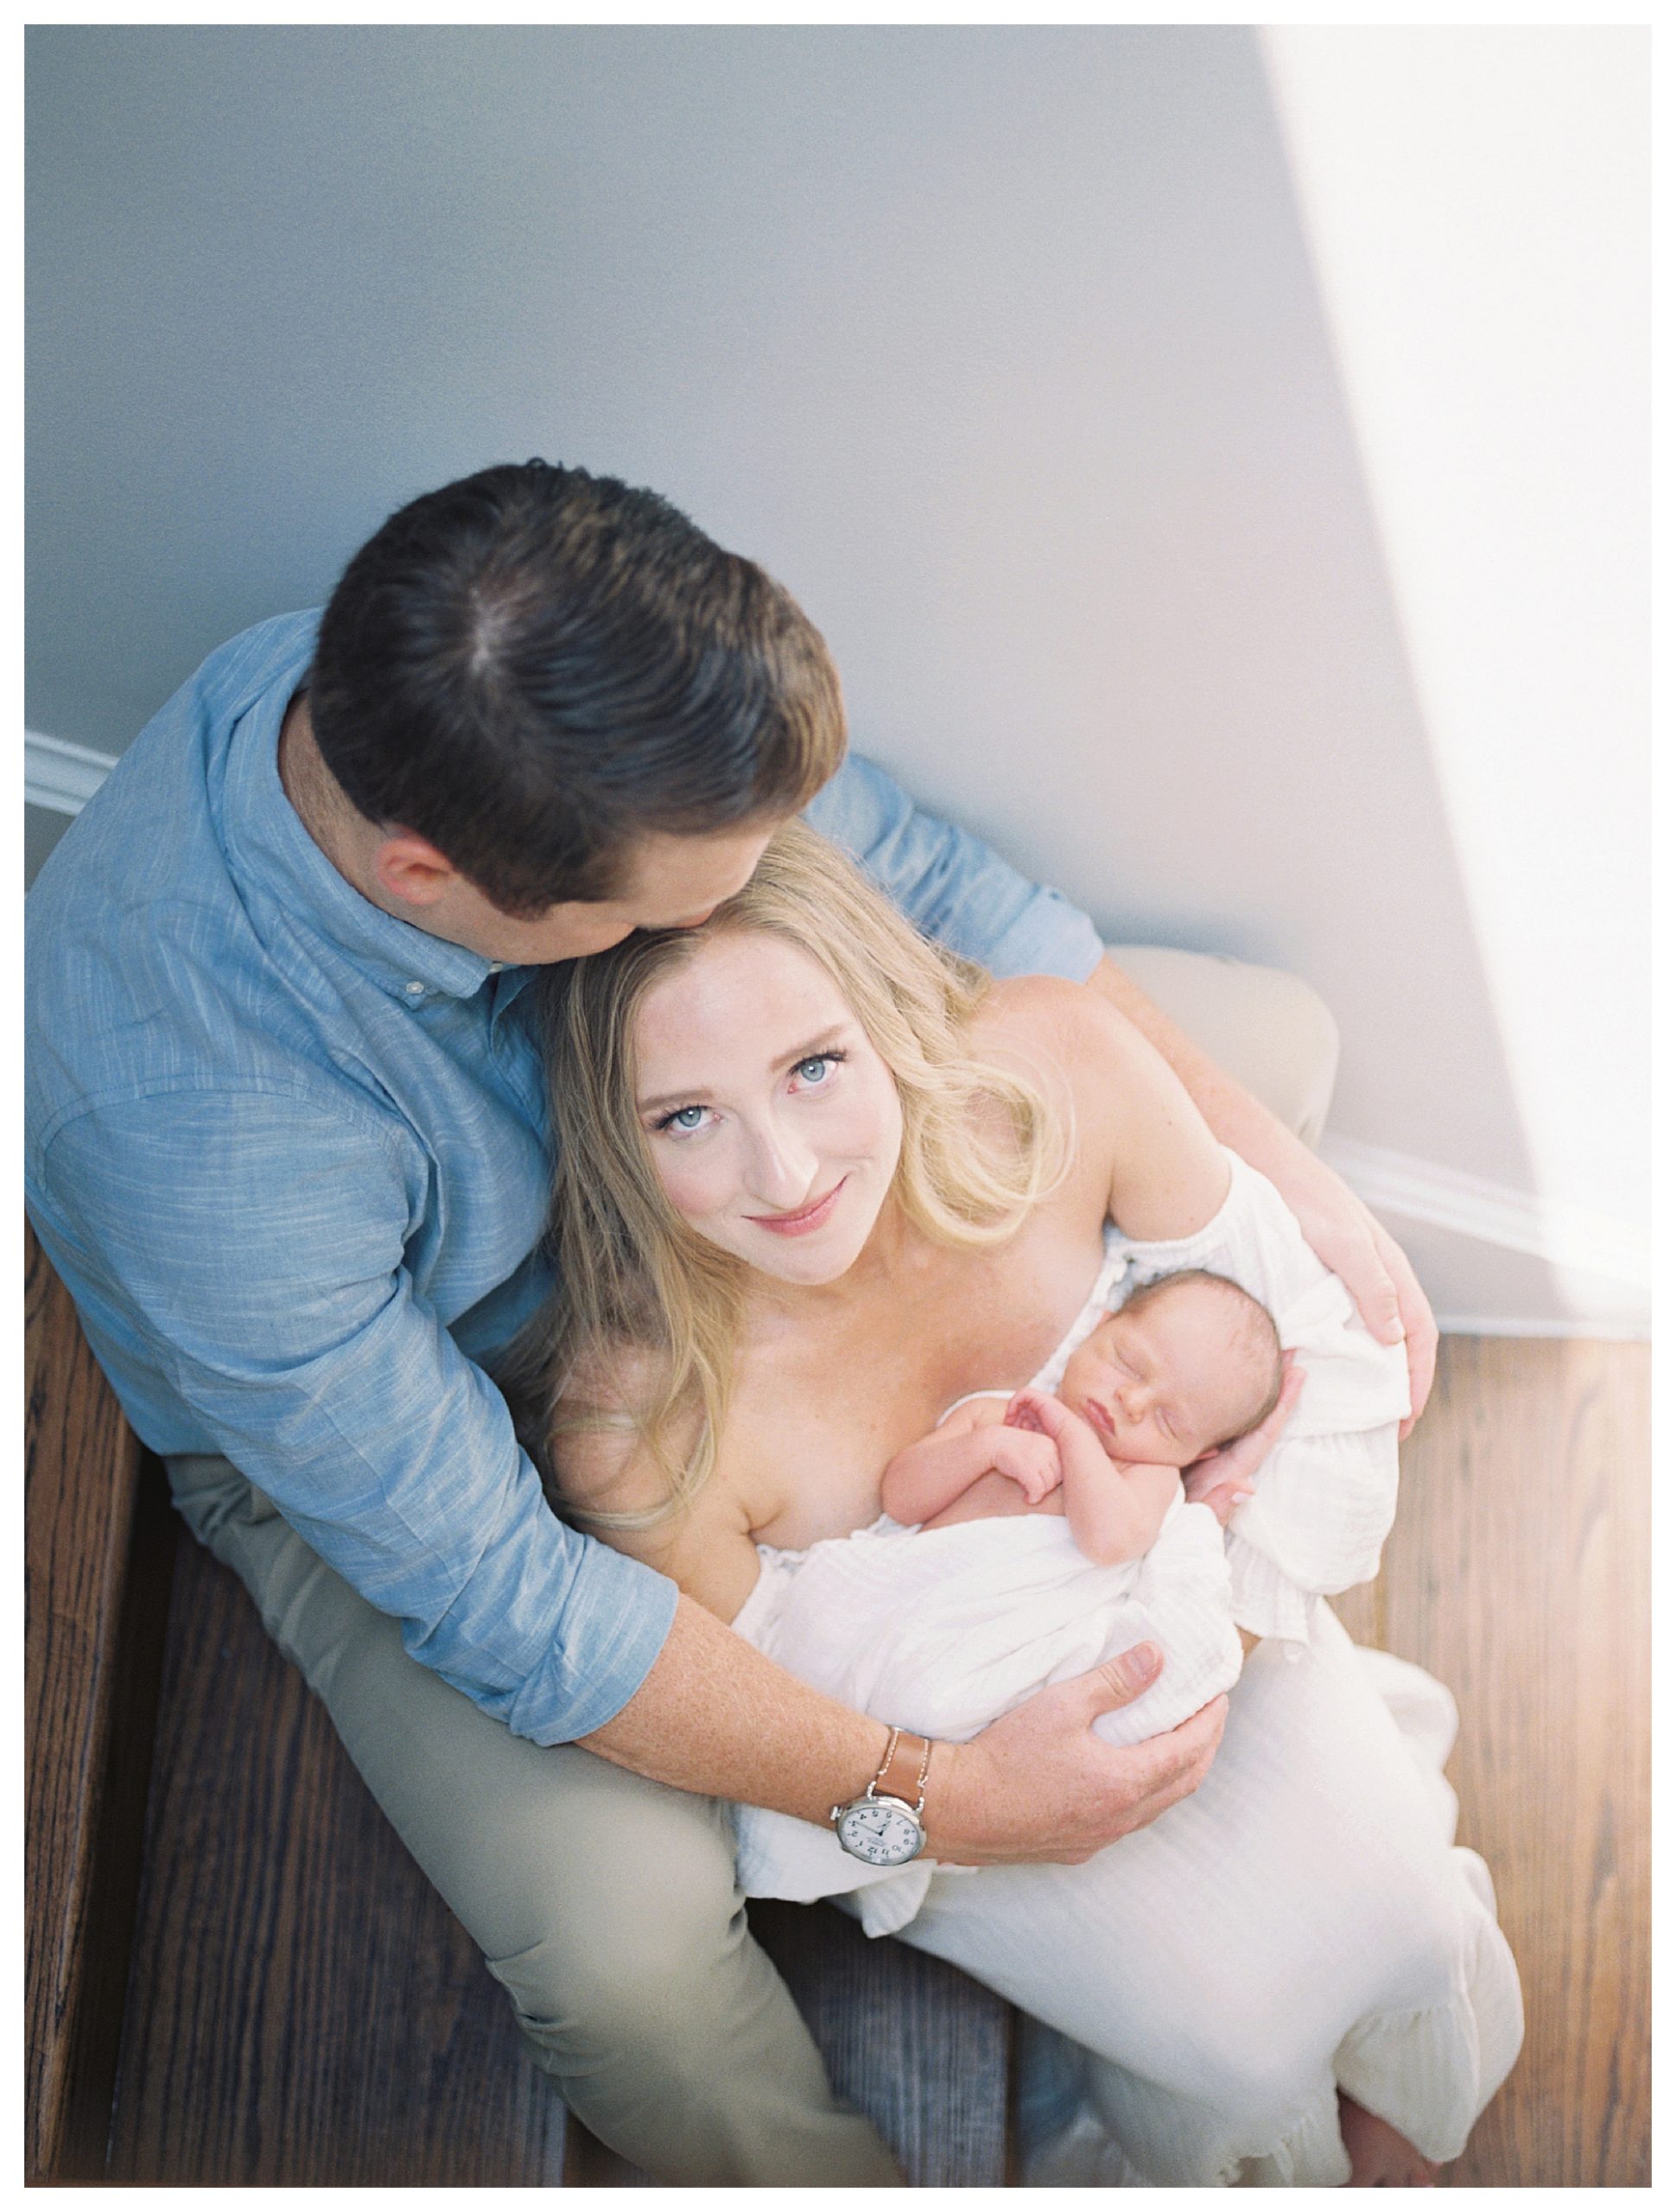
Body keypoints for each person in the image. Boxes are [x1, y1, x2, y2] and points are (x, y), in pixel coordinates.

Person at [25, 458, 1437, 2184]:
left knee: (1262, 1058)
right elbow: (511, 1600)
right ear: (424, 876)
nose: (750, 877)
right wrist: (929, 1788)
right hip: (441, 1408)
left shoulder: (517, 684)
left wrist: (1277, 1177)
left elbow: (944, 887)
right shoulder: (202, 1142)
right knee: (625, 1943)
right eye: (679, 897)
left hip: (739, 1247)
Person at [521, 822, 1522, 2186]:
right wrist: (980, 1789)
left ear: (883, 1018)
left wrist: (1188, 1544)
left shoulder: (1054, 1069)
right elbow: (773, 1727)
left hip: (1207, 1629)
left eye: (814, 1068)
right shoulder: (642, 1422)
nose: (787, 1173)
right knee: (1233, 2039)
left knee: (1396, 1910)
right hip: (972, 1781)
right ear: (615, 1138)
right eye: (687, 1117)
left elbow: (1296, 1333)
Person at [882, 1268, 1286, 1556]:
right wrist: (986, 1448)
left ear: (1196, 1457)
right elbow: (900, 1499)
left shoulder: (1145, 1477)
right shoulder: (993, 1416)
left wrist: (1070, 1435)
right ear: (1099, 1327)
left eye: (1168, 1421)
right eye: (1128, 1364)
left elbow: (1110, 1543)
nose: (1132, 1402)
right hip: (915, 1591)